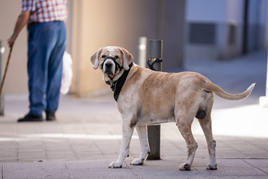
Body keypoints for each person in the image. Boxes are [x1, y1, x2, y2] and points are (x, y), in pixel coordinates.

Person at [8, 0, 67, 122]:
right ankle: (51, 111)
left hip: (43, 28)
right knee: (55, 70)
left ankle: (36, 111)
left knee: (37, 69)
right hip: (61, 27)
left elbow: (25, 14)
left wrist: (14, 36)